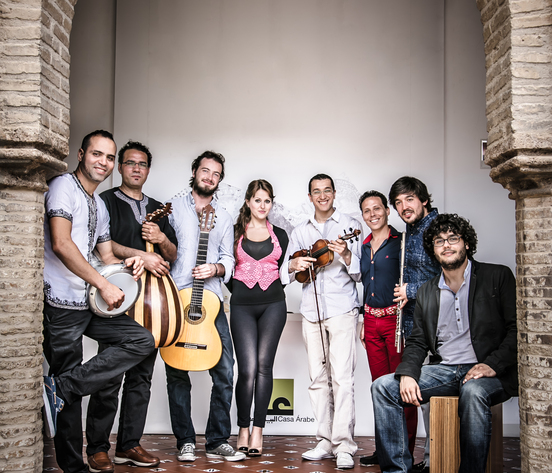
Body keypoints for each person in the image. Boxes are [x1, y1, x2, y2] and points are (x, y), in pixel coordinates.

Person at [42, 130, 155, 473]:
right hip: (61, 303)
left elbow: (105, 257)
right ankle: (74, 466)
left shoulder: (97, 205)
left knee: (141, 340)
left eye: (108, 157)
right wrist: (104, 284)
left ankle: (62, 386)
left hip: (89, 302)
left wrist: (128, 265)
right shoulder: (63, 186)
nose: (103, 162)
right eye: (97, 154)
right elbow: (61, 244)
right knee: (69, 401)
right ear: (81, 154)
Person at [371, 214, 517, 473]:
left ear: (467, 244)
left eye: (453, 238)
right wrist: (407, 374)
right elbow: (417, 341)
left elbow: (517, 329)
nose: (446, 245)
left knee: (473, 392)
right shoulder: (428, 290)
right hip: (446, 371)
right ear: (433, 250)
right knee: (382, 387)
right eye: (439, 241)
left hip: (488, 372)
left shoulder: (497, 276)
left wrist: (491, 364)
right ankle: (396, 471)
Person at [85, 141, 178, 471]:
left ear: (148, 170)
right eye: (129, 163)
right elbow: (100, 246)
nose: (136, 169)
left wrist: (160, 240)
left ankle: (128, 445)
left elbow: (171, 255)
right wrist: (142, 255)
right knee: (110, 376)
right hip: (117, 297)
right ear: (120, 167)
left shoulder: (157, 207)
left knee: (142, 378)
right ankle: (97, 447)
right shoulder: (104, 200)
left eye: (142, 164)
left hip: (152, 304)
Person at [165, 151, 245, 462]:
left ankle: (217, 440)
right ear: (194, 171)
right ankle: (185, 439)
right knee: (176, 372)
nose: (209, 177)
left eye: (215, 174)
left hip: (210, 302)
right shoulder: (172, 210)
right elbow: (161, 247)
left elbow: (230, 260)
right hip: (177, 300)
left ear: (219, 181)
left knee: (225, 371)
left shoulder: (223, 218)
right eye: (205, 170)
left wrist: (215, 268)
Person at [280, 174, 363, 470]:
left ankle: (344, 444)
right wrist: (294, 265)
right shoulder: (301, 230)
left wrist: (347, 253)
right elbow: (285, 272)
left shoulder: (351, 225)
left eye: (327, 190)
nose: (322, 195)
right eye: (317, 191)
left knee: (342, 378)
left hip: (342, 310)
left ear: (334, 193)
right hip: (310, 311)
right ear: (310, 196)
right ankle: (324, 441)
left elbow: (360, 272)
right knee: (317, 379)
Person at [229, 179, 289, 457]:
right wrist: (242, 289)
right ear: (248, 202)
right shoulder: (234, 233)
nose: (262, 206)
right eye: (257, 200)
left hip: (273, 305)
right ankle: (242, 427)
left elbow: (285, 274)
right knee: (248, 369)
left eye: (267, 201)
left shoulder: (281, 235)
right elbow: (228, 271)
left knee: (265, 367)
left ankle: (258, 431)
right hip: (242, 306)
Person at [357, 191, 417, 466]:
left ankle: (403, 453)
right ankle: (385, 451)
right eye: (367, 210)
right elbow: (366, 286)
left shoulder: (402, 242)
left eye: (377, 208)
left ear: (387, 211)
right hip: (370, 322)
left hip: (396, 322)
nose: (372, 214)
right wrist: (362, 318)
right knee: (379, 390)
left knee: (403, 389)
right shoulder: (364, 245)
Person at [387, 176, 441, 472]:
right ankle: (431, 458)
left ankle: (438, 460)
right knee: (425, 398)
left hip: (438, 329)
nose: (403, 207)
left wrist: (409, 290)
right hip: (416, 328)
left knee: (436, 398)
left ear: (423, 199)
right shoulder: (410, 230)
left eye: (409, 199)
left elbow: (448, 278)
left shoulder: (437, 227)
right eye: (398, 203)